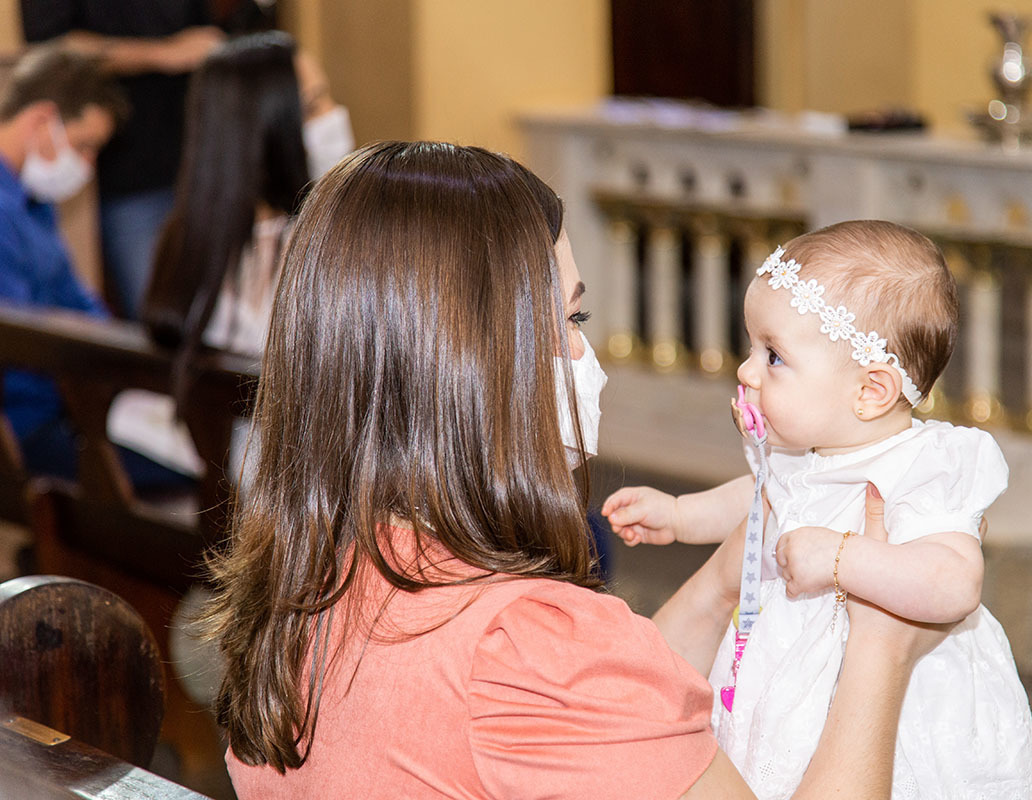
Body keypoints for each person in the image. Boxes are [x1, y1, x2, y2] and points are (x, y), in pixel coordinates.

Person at [204, 142, 951, 799]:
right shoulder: (527, 648)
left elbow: (603, 732)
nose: (585, 355)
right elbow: (568, 688)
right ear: (470, 364)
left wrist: (725, 577)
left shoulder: (306, 577)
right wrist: (882, 645)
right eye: (570, 320)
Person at [603, 221, 1032, 799]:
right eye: (751, 348)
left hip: (902, 703)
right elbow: (760, 499)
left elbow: (956, 581)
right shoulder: (805, 455)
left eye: (773, 356)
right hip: (790, 673)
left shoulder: (923, 467)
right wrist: (682, 515)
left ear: (870, 391)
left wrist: (841, 557)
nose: (746, 371)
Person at [107, 31, 352, 475]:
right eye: (314, 106)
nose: (334, 117)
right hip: (276, 476)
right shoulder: (312, 247)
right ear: (266, 133)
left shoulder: (185, 236)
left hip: (214, 463)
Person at [0, 45, 188, 490]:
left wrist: (131, 361)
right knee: (188, 478)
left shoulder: (32, 202)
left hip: (60, 403)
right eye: (84, 146)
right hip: (25, 425)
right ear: (42, 119)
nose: (86, 166)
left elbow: (77, 301)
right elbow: (20, 341)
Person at [21, 0, 224, 318]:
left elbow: (204, 38)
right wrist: (160, 53)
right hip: (128, 179)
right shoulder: (14, 206)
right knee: (153, 315)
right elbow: (51, 46)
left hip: (197, 166)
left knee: (212, 311)